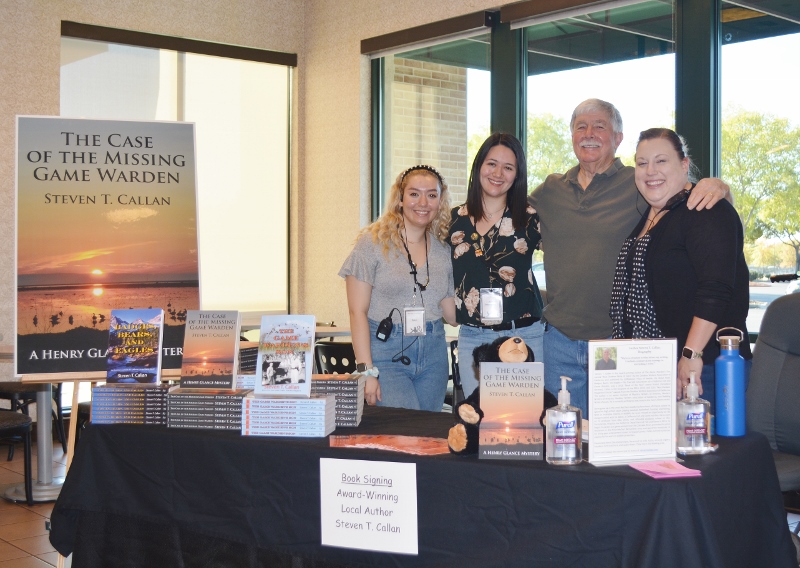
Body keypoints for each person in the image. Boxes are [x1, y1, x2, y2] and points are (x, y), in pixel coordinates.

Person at [529, 99, 730, 417]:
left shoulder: (639, 182)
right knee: (562, 443)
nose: (589, 133)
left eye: (600, 126)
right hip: (559, 342)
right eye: (580, 126)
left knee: (614, 439)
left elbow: (687, 197)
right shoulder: (551, 189)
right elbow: (506, 217)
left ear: (618, 137)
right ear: (571, 136)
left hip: (616, 343)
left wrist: (717, 185)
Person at [610, 128, 751, 412]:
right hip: (654, 366)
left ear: (684, 165)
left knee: (705, 454)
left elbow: (716, 289)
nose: (650, 171)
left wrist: (691, 355)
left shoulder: (706, 208)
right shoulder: (654, 212)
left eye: (661, 161)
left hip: (703, 368)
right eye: (642, 163)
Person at [339, 165, 456, 411]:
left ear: (440, 201)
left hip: (434, 355)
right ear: (400, 199)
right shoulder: (372, 243)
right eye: (414, 194)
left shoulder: (444, 251)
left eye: (431, 195)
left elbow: (452, 316)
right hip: (386, 354)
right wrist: (365, 371)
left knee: (425, 440)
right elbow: (356, 312)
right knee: (404, 436)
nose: (423, 202)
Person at [449, 133, 544, 397]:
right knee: (479, 422)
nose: (498, 173)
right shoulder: (453, 220)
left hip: (522, 336)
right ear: (479, 166)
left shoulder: (531, 219)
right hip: (473, 338)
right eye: (492, 163)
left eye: (508, 167)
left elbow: (566, 259)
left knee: (524, 425)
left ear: (517, 175)